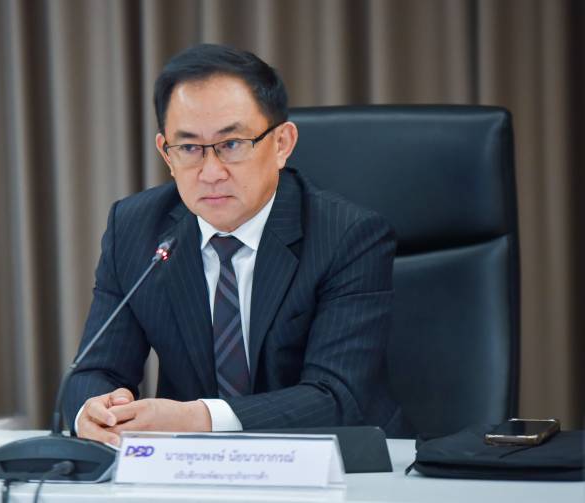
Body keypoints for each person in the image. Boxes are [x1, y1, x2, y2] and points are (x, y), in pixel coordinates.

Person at [63, 44, 402, 446]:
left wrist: (198, 418)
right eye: (189, 148)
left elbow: (338, 398)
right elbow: (94, 371)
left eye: (232, 144)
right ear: (166, 155)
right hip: (191, 468)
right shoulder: (136, 229)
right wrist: (95, 411)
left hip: (341, 465)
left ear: (282, 143)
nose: (211, 173)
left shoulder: (347, 235)